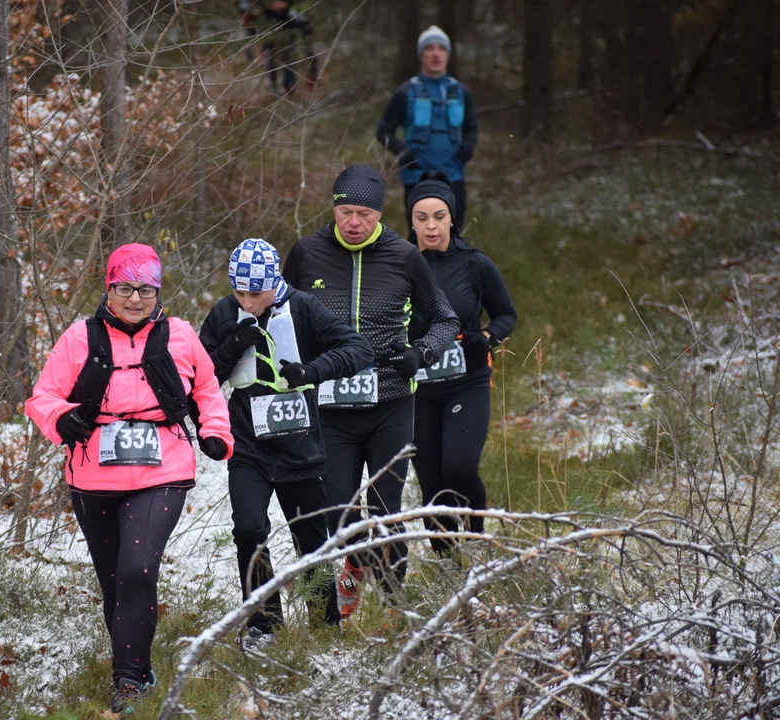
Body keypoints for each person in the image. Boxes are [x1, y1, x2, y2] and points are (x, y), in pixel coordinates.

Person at [24, 243, 234, 715]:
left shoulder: (179, 335)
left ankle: (129, 681)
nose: (135, 298)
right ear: (110, 289)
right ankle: (134, 662)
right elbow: (43, 396)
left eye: (145, 289)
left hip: (163, 468)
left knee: (138, 567)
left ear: (158, 291)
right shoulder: (81, 337)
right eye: (125, 287)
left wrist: (215, 431)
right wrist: (61, 419)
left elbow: (206, 388)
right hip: (93, 472)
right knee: (115, 582)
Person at [282, 164, 459, 621]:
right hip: (330, 405)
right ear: (334, 209)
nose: (353, 222)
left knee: (384, 508)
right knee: (336, 513)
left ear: (379, 214)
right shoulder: (306, 254)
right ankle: (353, 564)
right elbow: (278, 315)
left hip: (392, 401)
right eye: (345, 211)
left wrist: (422, 352)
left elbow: (445, 320)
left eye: (363, 212)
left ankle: (393, 608)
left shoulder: (405, 256)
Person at [200, 238, 373, 648]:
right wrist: (234, 344)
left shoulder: (303, 307)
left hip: (301, 447)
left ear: (274, 283)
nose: (246, 301)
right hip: (248, 447)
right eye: (238, 292)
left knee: (311, 539)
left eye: (254, 293)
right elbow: (201, 377)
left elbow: (358, 349)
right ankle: (263, 624)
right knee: (248, 528)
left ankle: (324, 625)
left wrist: (312, 371)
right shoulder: (226, 313)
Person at [406, 171, 516, 556]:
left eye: (439, 216)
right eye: (421, 217)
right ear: (411, 220)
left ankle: (475, 541)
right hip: (418, 388)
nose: (430, 226)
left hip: (467, 381)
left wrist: (485, 338)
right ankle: (446, 562)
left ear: (452, 217)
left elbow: (506, 315)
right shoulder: (398, 263)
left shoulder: (475, 264)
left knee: (458, 466)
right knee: (432, 481)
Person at [376, 25, 478, 227]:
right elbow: (383, 131)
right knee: (420, 237)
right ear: (421, 54)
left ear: (447, 54)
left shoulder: (461, 92)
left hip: (453, 176)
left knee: (454, 238)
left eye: (441, 48)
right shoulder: (405, 92)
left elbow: (471, 127)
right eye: (429, 48)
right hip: (417, 177)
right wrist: (403, 153)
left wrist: (468, 148)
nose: (435, 54)